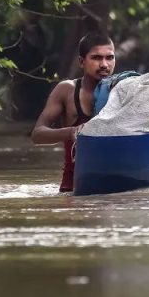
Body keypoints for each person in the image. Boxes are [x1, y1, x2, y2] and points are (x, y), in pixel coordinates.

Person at [31, 32, 116, 192]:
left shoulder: (123, 90)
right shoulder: (67, 90)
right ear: (81, 62)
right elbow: (37, 134)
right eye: (96, 58)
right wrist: (72, 132)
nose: (104, 64)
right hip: (74, 191)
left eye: (110, 57)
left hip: (114, 190)